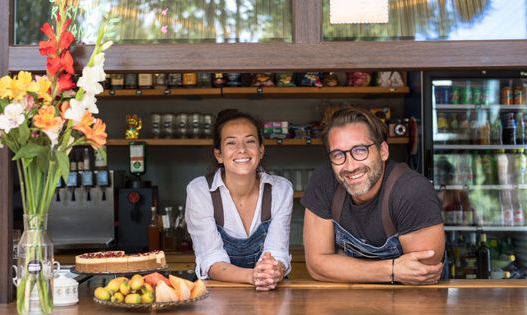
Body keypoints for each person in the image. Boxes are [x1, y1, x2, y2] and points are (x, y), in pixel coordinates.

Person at [301, 106, 445, 285]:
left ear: (383, 151)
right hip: (348, 301)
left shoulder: (412, 191)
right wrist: (393, 269)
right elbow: (317, 266)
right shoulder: (324, 181)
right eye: (338, 155)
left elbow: (421, 272)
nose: (350, 166)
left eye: (360, 150)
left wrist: (341, 263)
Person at [185, 109, 293, 290]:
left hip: (269, 291)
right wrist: (253, 276)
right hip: (218, 296)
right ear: (218, 154)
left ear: (261, 150)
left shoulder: (280, 190)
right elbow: (211, 258)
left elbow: (277, 252)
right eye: (231, 143)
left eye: (250, 141)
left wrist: (274, 271)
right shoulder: (200, 191)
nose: (242, 149)